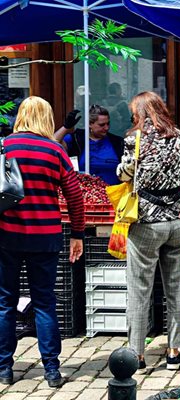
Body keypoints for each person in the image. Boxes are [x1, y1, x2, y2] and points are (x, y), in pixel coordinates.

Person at [0, 96, 84, 387]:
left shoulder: (4, 147)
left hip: (7, 235)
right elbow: (75, 195)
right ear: (47, 118)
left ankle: (4, 368)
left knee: (5, 302)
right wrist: (77, 233)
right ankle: (51, 369)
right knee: (45, 302)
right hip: (45, 237)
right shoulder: (54, 151)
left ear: (20, 116)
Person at [116, 91, 180, 371]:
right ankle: (173, 352)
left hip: (147, 220)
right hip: (179, 217)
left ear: (139, 112)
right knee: (175, 287)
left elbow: (125, 173)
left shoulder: (133, 139)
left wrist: (124, 169)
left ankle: (137, 354)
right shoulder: (177, 135)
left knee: (139, 289)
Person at [54, 105, 123, 185]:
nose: (106, 128)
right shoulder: (77, 139)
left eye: (108, 124)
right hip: (86, 192)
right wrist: (66, 127)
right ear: (90, 124)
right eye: (102, 125)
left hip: (115, 192)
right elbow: (52, 143)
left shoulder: (117, 142)